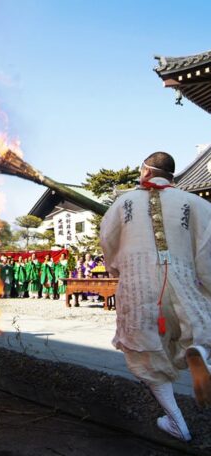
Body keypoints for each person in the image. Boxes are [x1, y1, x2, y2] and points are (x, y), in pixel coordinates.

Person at [100, 151, 211, 442]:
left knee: (147, 355)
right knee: (196, 329)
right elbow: (207, 252)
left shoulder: (122, 203)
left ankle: (177, 424)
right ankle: (200, 352)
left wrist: (116, 269)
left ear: (144, 171)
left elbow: (107, 243)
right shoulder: (195, 203)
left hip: (139, 286)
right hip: (183, 280)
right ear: (171, 176)